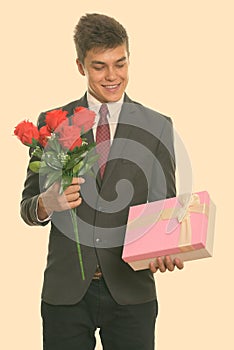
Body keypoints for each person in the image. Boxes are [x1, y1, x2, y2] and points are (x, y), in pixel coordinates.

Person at [20, 13, 184, 350]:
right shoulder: (54, 123)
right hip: (66, 295)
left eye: (120, 64)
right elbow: (27, 208)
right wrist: (46, 204)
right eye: (99, 66)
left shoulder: (158, 127)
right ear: (80, 66)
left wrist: (164, 248)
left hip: (131, 295)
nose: (112, 76)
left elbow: (164, 209)